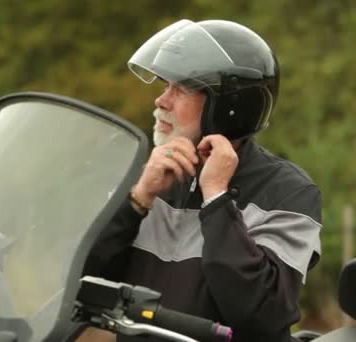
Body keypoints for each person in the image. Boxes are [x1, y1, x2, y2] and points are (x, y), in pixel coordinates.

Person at [82, 19, 322, 342]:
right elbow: (83, 278)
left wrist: (216, 198)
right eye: (164, 86)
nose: (161, 100)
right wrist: (139, 199)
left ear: (228, 107)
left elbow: (262, 316)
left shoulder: (288, 193)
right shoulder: (146, 176)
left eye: (179, 89)